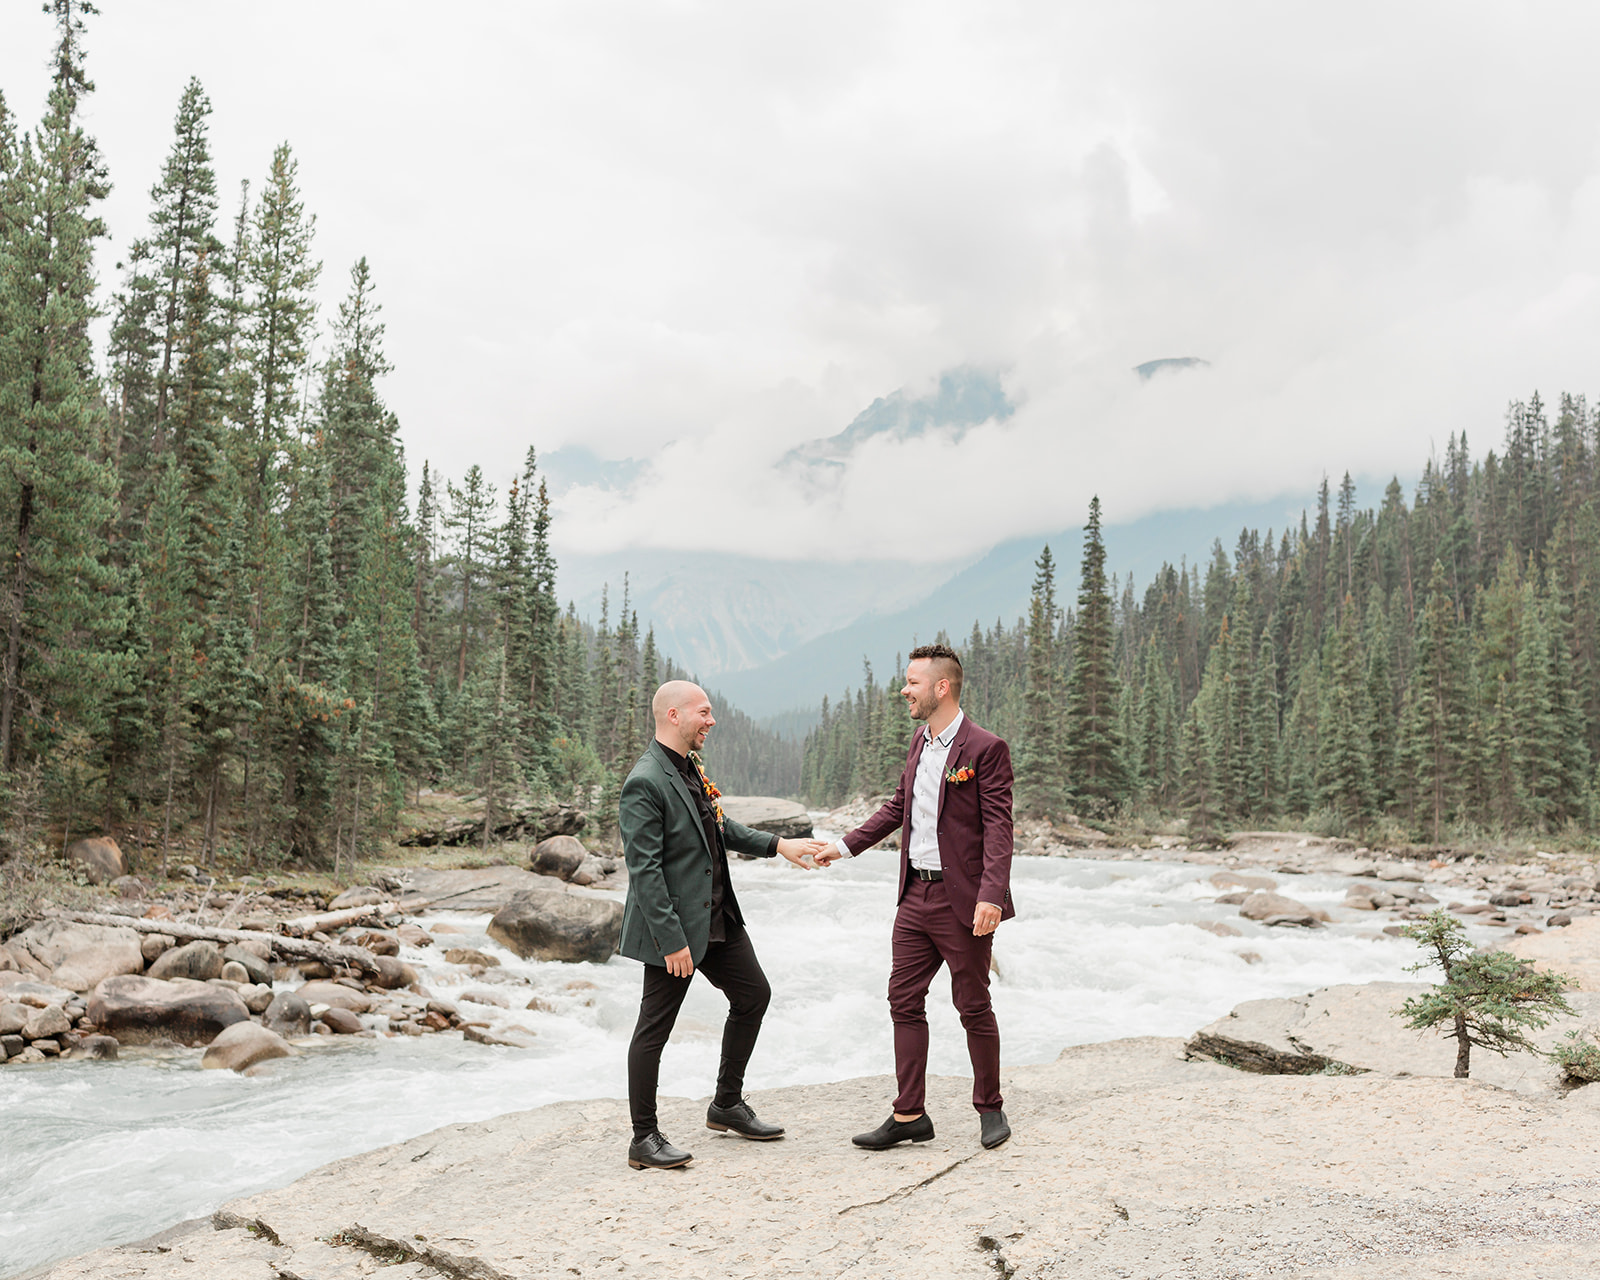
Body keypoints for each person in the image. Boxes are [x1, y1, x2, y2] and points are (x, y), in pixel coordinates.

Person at [619, 679, 828, 1170]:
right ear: (674, 715)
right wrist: (670, 941)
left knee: (754, 994)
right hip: (675, 931)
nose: (712, 721)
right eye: (704, 712)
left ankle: (726, 1105)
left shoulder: (689, 767)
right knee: (654, 1029)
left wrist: (781, 846)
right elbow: (644, 870)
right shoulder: (645, 780)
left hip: (718, 918)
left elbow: (722, 827)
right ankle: (643, 1139)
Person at [816, 643, 1016, 1151]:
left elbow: (998, 828)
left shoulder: (984, 748)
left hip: (964, 903)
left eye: (912, 682)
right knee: (903, 1000)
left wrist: (991, 896)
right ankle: (909, 1115)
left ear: (941, 687)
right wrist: (842, 847)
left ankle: (989, 1108)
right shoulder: (918, 742)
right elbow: (898, 806)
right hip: (913, 898)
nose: (903, 690)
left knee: (972, 1004)